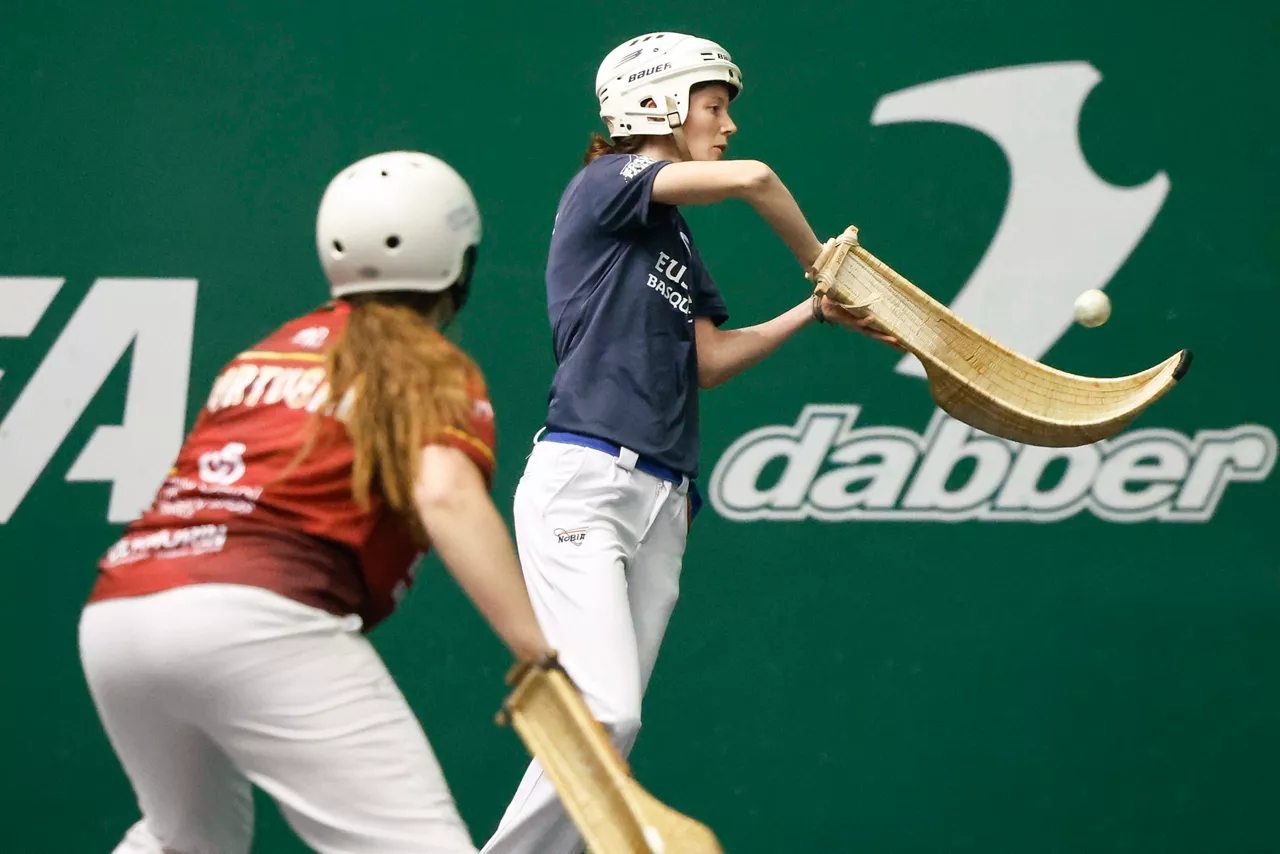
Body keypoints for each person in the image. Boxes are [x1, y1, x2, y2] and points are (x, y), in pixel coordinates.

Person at [479, 31, 901, 854]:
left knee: (611, 732)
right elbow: (755, 180)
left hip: (664, 502)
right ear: (656, 104)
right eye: (714, 106)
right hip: (587, 482)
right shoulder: (606, 184)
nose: (729, 125)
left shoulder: (671, 237)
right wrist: (824, 264)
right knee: (605, 711)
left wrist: (811, 312)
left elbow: (708, 360)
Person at [78, 150, 553, 854]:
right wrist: (539, 649)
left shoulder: (264, 353)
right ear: (461, 265)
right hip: (256, 619)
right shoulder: (428, 364)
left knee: (183, 839)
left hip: (120, 613)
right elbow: (446, 495)